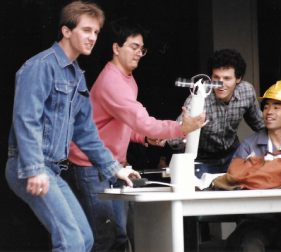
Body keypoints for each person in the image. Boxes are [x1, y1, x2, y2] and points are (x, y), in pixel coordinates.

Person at [5, 2, 141, 251]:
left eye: (96, 32)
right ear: (66, 31)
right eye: (86, 30)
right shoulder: (41, 66)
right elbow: (26, 119)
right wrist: (35, 169)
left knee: (85, 239)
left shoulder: (76, 76)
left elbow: (87, 133)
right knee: (71, 242)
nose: (92, 38)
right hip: (29, 165)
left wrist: (114, 169)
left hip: (52, 170)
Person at [66, 18, 207, 252]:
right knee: (104, 238)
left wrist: (143, 137)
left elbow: (121, 123)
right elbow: (142, 121)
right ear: (116, 48)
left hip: (112, 166)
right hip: (90, 166)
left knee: (119, 238)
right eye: (133, 47)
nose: (139, 53)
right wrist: (181, 128)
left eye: (142, 48)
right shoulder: (113, 82)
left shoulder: (127, 79)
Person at [226, 81, 281, 252]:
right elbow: (234, 182)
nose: (269, 112)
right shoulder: (248, 145)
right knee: (251, 246)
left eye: (277, 107)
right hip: (254, 222)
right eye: (266, 107)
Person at [167, 49, 265, 179]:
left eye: (227, 78)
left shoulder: (246, 91)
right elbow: (174, 139)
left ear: (238, 78)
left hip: (232, 155)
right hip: (203, 158)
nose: (220, 84)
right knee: (202, 196)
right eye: (216, 78)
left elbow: (259, 125)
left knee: (237, 192)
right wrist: (177, 133)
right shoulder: (198, 98)